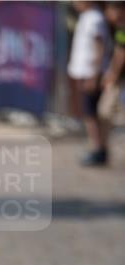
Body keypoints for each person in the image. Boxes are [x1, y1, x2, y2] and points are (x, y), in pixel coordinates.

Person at [68, 0, 111, 165]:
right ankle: (97, 148)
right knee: (89, 112)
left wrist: (94, 75)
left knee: (91, 113)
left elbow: (99, 48)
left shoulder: (95, 18)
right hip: (86, 73)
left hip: (92, 74)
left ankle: (98, 149)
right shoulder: (86, 17)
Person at [100, 1, 125, 121]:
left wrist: (112, 75)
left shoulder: (122, 30)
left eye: (109, 10)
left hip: (119, 80)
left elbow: (121, 53)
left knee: (106, 111)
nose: (106, 14)